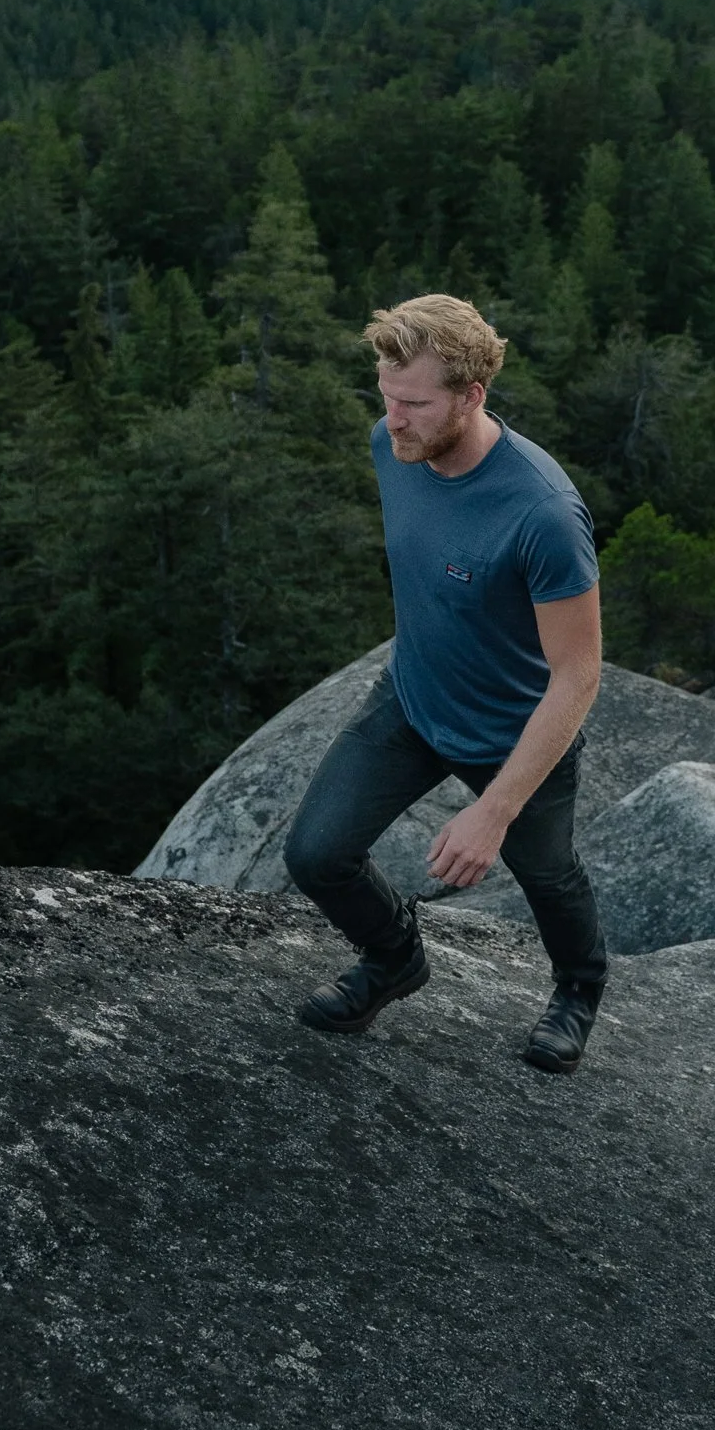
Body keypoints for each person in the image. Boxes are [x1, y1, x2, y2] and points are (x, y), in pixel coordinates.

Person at [283, 293, 608, 1075]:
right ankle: (394, 958)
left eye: (415, 404)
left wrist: (493, 814)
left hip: (512, 729)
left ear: (472, 394)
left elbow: (578, 673)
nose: (393, 421)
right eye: (386, 399)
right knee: (315, 853)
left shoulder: (543, 514)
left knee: (547, 873)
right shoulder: (391, 445)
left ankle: (577, 991)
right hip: (414, 702)